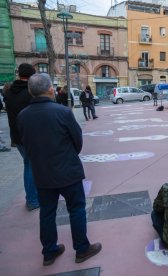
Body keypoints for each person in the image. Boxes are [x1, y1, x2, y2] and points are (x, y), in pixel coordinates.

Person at [17, 73, 102, 266]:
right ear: (50, 90)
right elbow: (77, 139)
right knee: (76, 209)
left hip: (42, 173)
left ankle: (49, 251)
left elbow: (25, 144)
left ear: (31, 91)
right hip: (67, 171)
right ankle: (81, 249)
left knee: (47, 212)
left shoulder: (23, 116)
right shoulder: (62, 112)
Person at [3, 63, 39, 210]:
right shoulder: (31, 92)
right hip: (30, 136)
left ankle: (30, 197)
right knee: (32, 166)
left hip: (16, 137)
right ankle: (32, 200)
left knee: (27, 165)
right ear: (31, 76)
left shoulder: (9, 92)